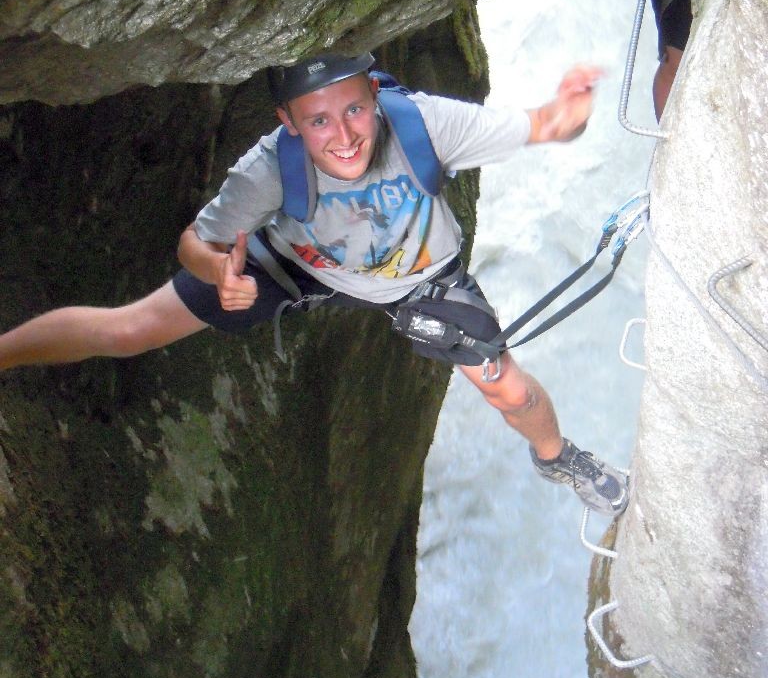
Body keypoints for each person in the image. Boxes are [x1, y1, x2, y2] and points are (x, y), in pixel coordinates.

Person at [0, 52, 629, 516]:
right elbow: (196, 240)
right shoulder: (271, 167)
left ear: (375, 100)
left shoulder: (424, 126)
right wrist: (217, 272)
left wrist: (572, 110)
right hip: (298, 260)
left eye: (355, 109)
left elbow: (546, 125)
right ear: (289, 121)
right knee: (131, 328)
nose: (345, 133)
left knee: (509, 391)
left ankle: (557, 458)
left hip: (418, 274)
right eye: (319, 120)